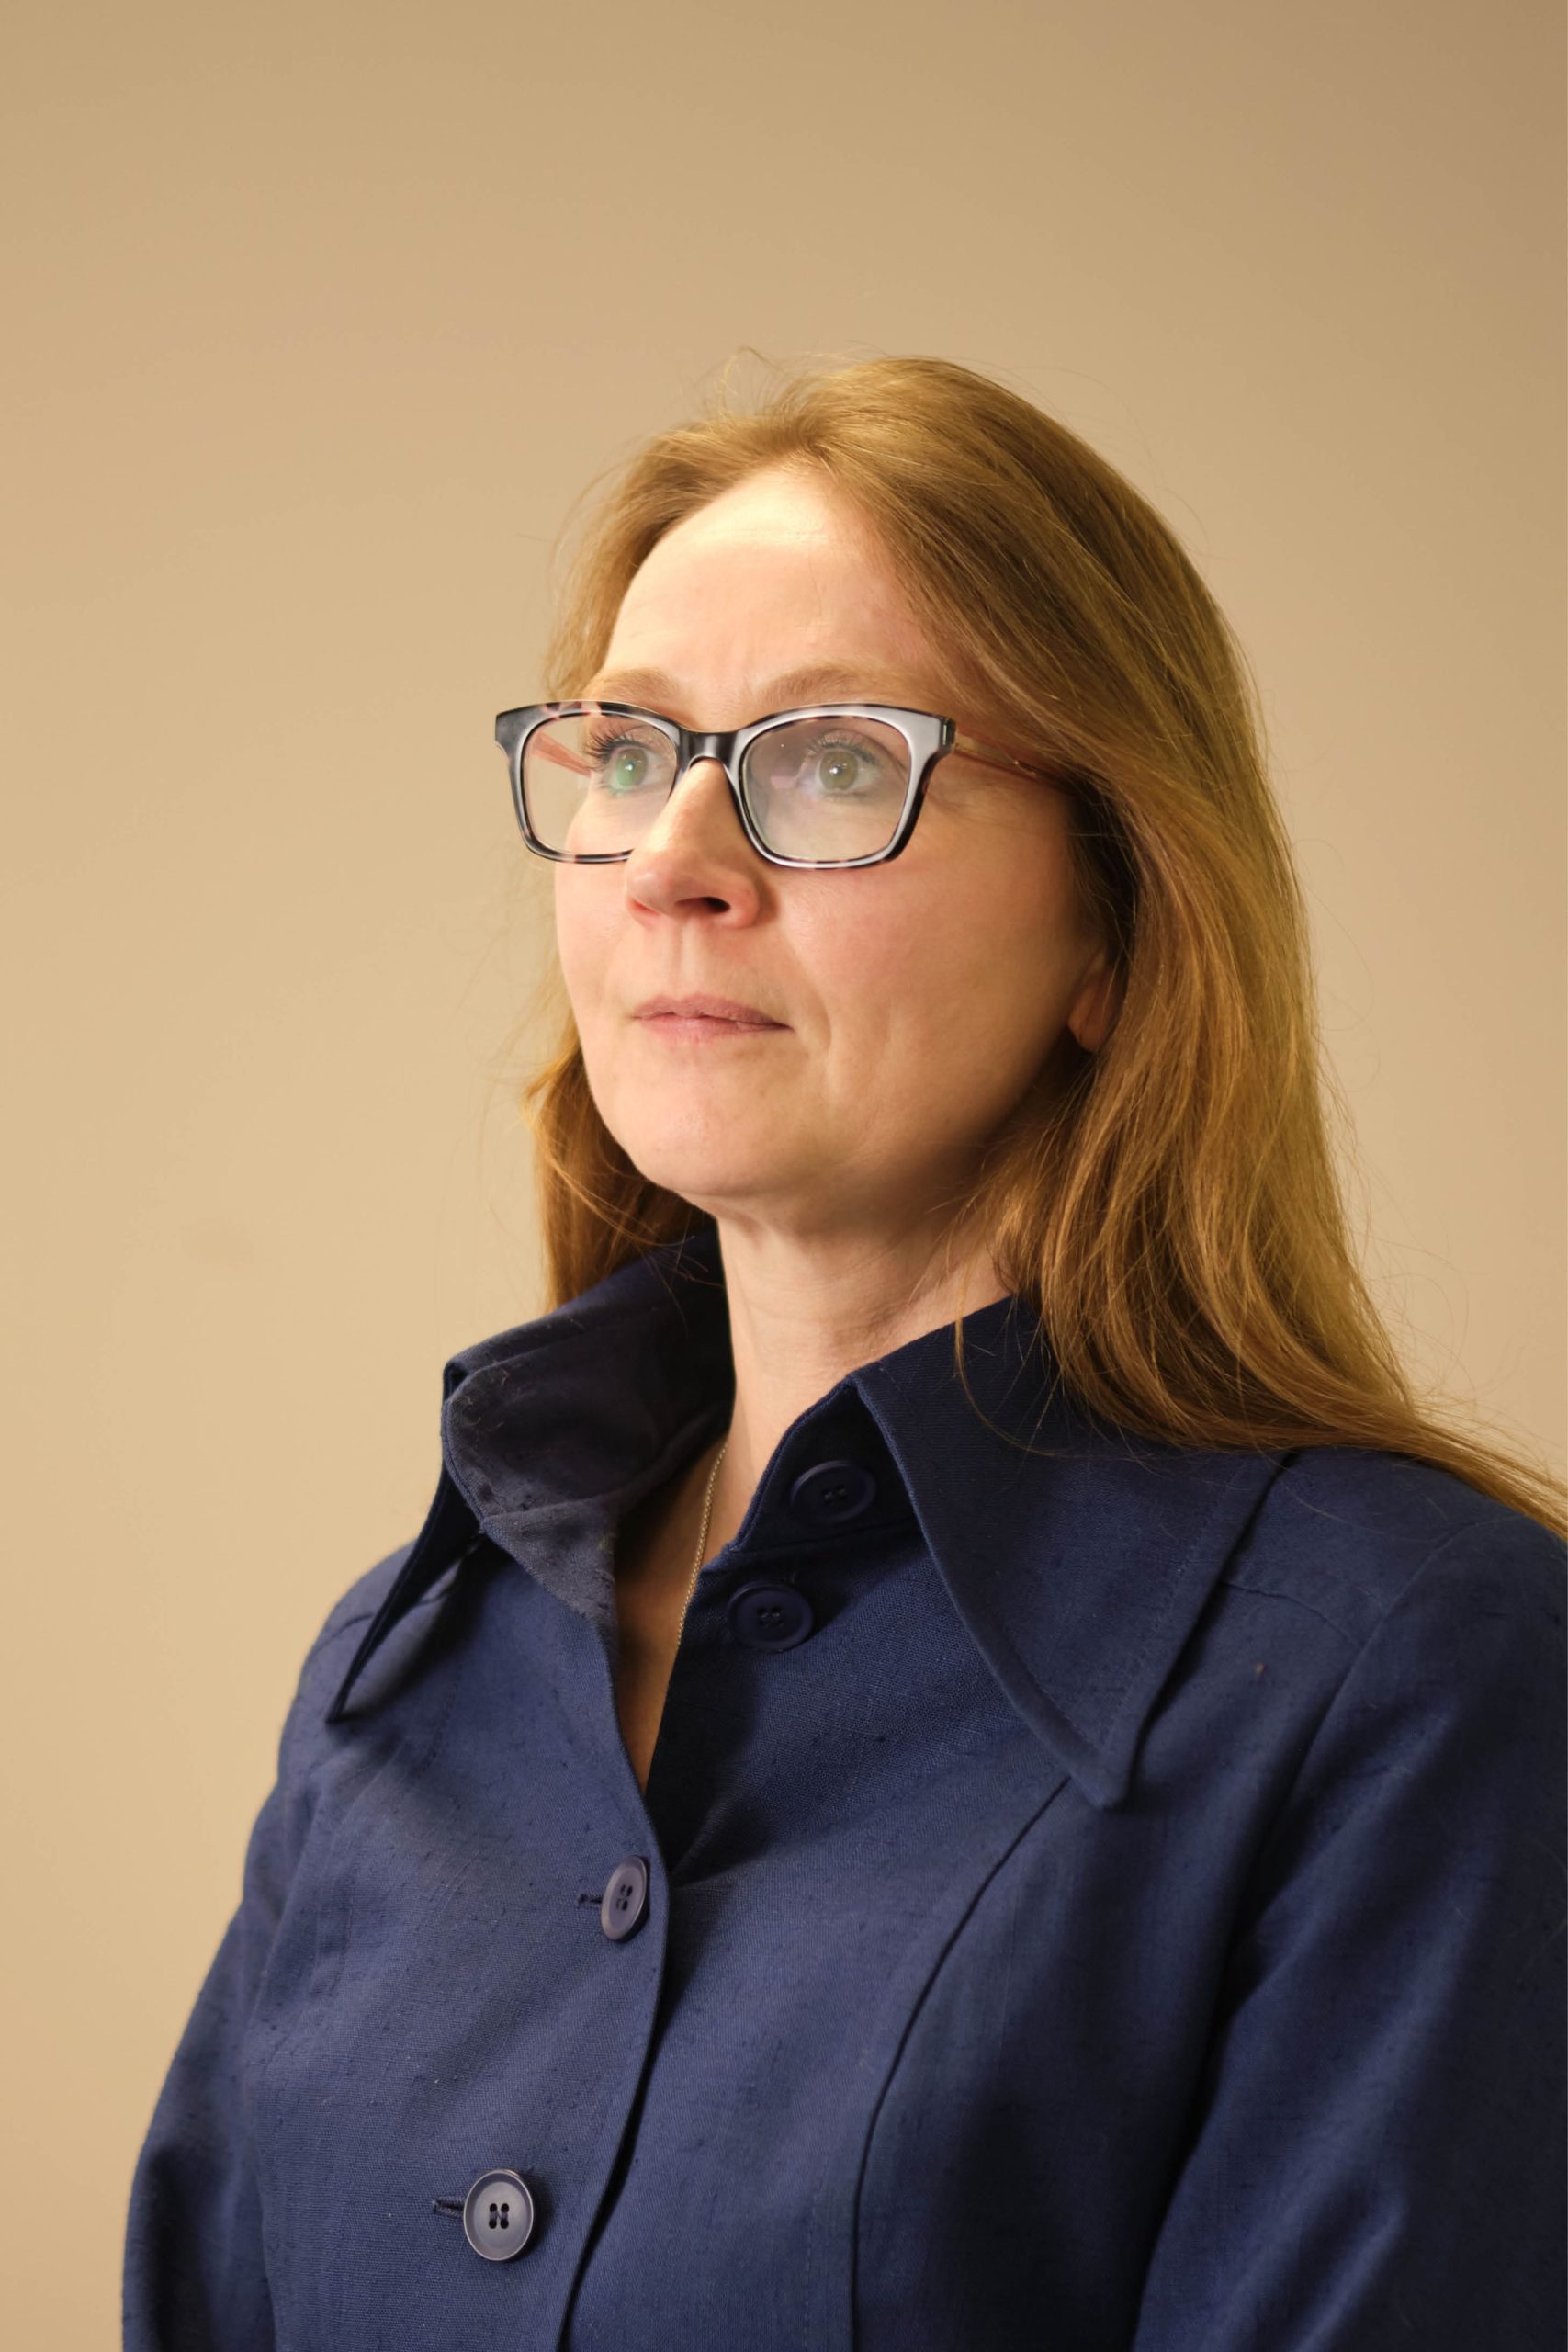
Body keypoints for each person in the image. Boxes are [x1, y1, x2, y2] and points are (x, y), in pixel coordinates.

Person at [123, 355, 1566, 2350]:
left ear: (1113, 925)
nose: (674, 860)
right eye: (625, 755)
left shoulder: (1410, 1673)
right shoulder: (403, 1663)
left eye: (823, 762)